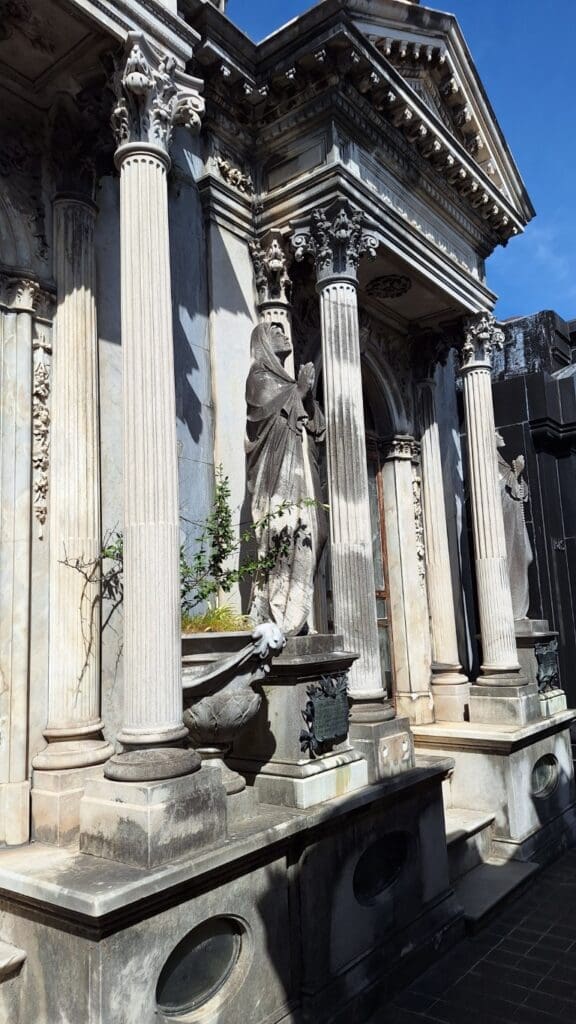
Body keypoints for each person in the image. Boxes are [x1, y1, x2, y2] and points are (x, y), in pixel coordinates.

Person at [245, 321, 327, 634]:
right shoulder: (259, 377)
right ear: (265, 341)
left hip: (301, 471)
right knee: (285, 530)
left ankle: (296, 614)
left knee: (317, 533)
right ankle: (280, 614)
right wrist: (300, 391)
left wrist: (307, 395)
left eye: (284, 330)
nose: (284, 334)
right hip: (277, 474)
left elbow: (314, 426)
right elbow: (265, 420)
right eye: (276, 332)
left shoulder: (286, 382)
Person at [496, 431, 533, 620]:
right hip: (505, 526)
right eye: (496, 433)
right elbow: (497, 495)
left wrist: (517, 475)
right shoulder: (489, 466)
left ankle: (519, 610)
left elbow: (519, 493)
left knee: (526, 557)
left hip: (516, 521)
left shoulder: (503, 464)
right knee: (517, 559)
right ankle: (515, 611)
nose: (501, 435)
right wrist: (516, 473)